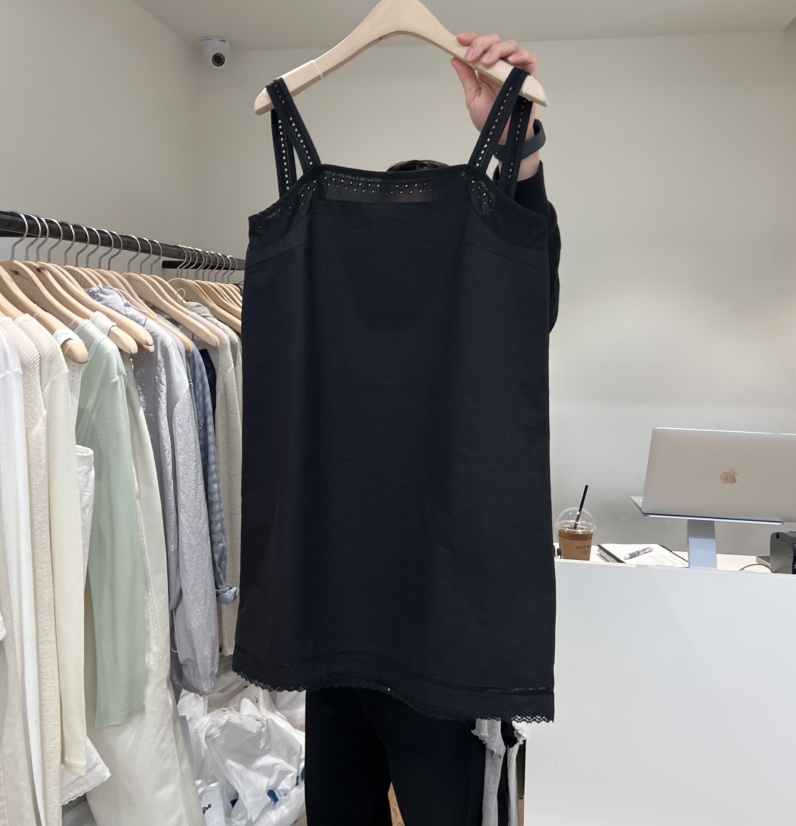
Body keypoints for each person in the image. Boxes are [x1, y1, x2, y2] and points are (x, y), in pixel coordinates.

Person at [302, 33, 562, 826]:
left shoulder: (489, 319)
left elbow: (527, 274)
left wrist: (515, 151)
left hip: (448, 656)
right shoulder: (339, 321)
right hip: (338, 648)